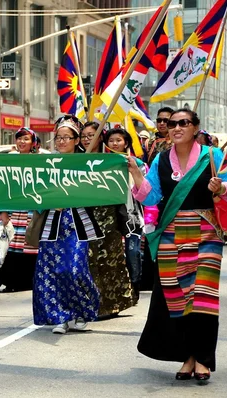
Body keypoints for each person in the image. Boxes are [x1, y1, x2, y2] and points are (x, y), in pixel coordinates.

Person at [129, 109, 227, 381]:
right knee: (178, 299)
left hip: (206, 232)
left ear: (195, 127)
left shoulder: (212, 156)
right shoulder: (160, 160)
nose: (176, 127)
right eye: (171, 123)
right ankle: (187, 357)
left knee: (202, 297)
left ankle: (203, 359)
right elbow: (152, 196)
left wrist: (221, 188)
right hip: (171, 233)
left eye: (183, 123)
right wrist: (135, 173)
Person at [32, 115, 103, 334]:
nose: (61, 142)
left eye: (66, 137)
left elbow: (97, 191)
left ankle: (82, 310)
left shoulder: (87, 162)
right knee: (51, 271)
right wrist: (51, 201)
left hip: (77, 224)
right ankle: (60, 316)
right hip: (51, 224)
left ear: (76, 140)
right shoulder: (45, 164)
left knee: (74, 269)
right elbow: (34, 192)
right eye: (58, 138)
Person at [83, 123, 135, 317]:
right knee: (88, 261)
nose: (87, 139)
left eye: (92, 135)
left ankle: (114, 303)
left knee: (111, 260)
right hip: (83, 216)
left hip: (109, 216)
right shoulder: (76, 160)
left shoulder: (113, 160)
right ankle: (91, 304)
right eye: (84, 135)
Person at [0, 127, 39, 292]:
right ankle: (11, 282)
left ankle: (29, 281)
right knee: (11, 245)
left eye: (26, 139)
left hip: (32, 210)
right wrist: (3, 211)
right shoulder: (9, 162)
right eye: (19, 138)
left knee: (30, 245)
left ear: (33, 143)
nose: (22, 142)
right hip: (13, 209)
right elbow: (4, 187)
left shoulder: (39, 162)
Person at [106, 128, 146, 304]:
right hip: (111, 215)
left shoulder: (138, 164)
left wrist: (134, 170)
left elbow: (147, 186)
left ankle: (135, 286)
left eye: (119, 140)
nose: (115, 143)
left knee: (133, 252)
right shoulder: (102, 163)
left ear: (126, 143)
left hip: (133, 215)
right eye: (111, 140)